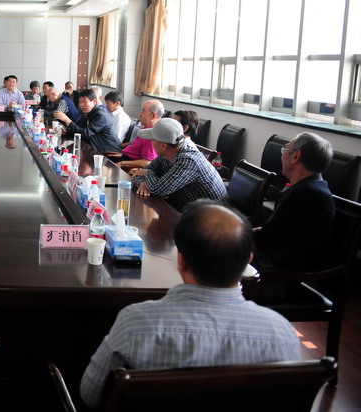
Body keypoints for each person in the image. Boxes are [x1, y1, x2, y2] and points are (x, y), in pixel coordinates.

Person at [79, 201, 300, 409]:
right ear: (247, 262)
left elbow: (91, 396)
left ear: (181, 260)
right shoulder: (282, 332)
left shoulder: (135, 323)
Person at [253, 132, 334, 272]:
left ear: (295, 156)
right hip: (276, 257)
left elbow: (267, 240)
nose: (282, 155)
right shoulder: (311, 186)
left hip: (279, 269)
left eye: (285, 149)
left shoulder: (306, 194)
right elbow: (276, 231)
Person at [130, 118, 227, 210]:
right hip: (185, 208)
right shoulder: (167, 153)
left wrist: (147, 173)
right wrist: (143, 183)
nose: (151, 143)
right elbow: (139, 174)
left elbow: (157, 189)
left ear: (163, 145)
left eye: (153, 140)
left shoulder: (188, 161)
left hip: (209, 216)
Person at [54, 88, 121, 153]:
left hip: (109, 152)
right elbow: (80, 129)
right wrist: (67, 132)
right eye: (80, 102)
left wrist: (67, 120)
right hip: (94, 147)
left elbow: (86, 134)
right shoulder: (85, 113)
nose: (82, 105)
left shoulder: (101, 116)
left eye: (85, 101)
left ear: (94, 101)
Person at [113, 99, 164, 170]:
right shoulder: (146, 128)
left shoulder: (151, 135)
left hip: (127, 165)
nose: (140, 115)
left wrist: (122, 163)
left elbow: (147, 162)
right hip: (123, 156)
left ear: (153, 116)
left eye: (143, 111)